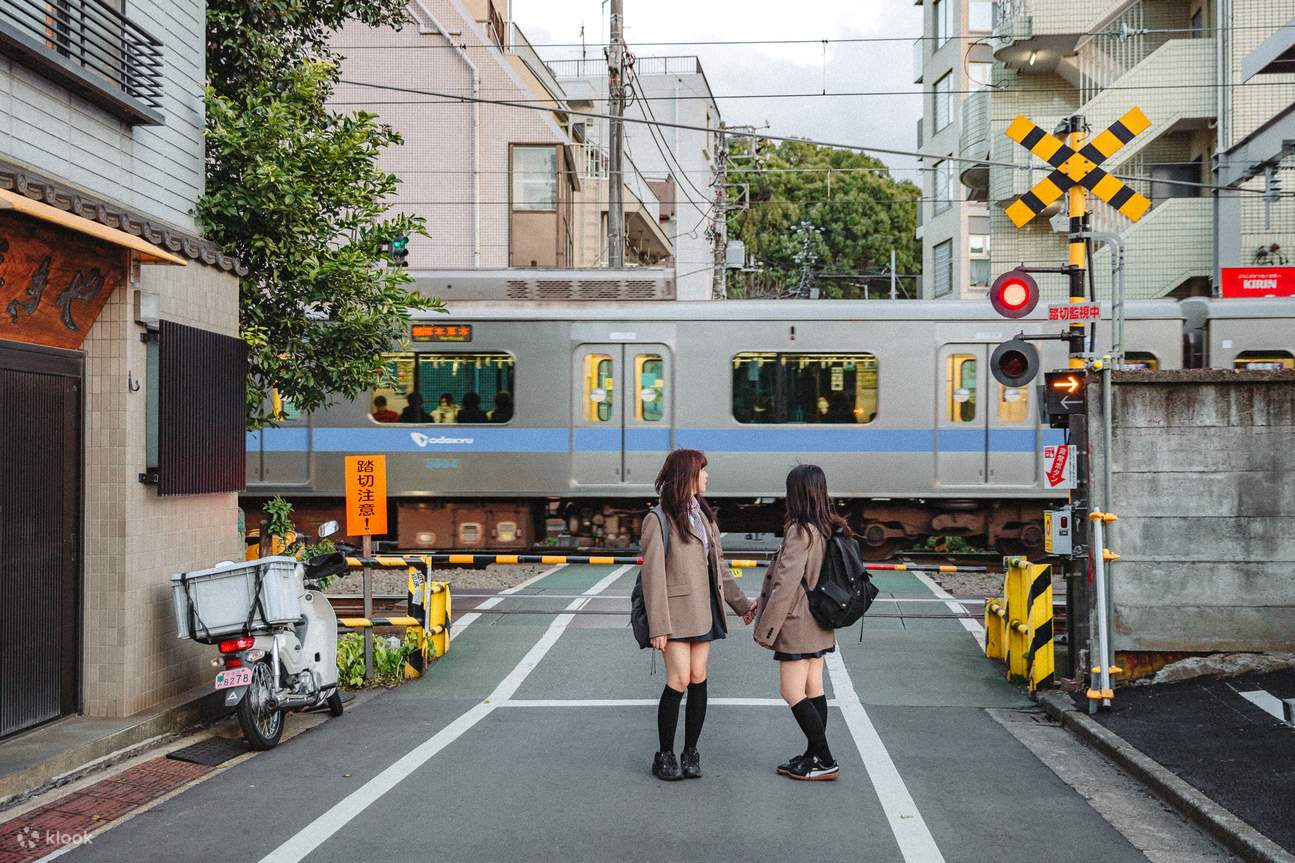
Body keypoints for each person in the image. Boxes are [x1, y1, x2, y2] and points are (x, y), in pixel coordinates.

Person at [640, 449, 756, 782]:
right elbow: (653, 577)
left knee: (698, 677)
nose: (707, 477)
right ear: (686, 476)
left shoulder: (704, 516)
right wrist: (658, 625)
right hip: (675, 614)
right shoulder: (658, 518)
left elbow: (718, 567)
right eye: (702, 471)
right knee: (677, 680)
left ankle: (691, 752)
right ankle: (664, 754)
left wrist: (742, 604)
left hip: (705, 610)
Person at [752, 464, 843, 781]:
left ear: (797, 494)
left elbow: (785, 585)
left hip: (796, 621)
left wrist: (766, 629)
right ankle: (813, 754)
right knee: (813, 688)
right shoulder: (823, 527)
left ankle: (826, 759)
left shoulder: (800, 531)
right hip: (819, 620)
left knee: (791, 691)